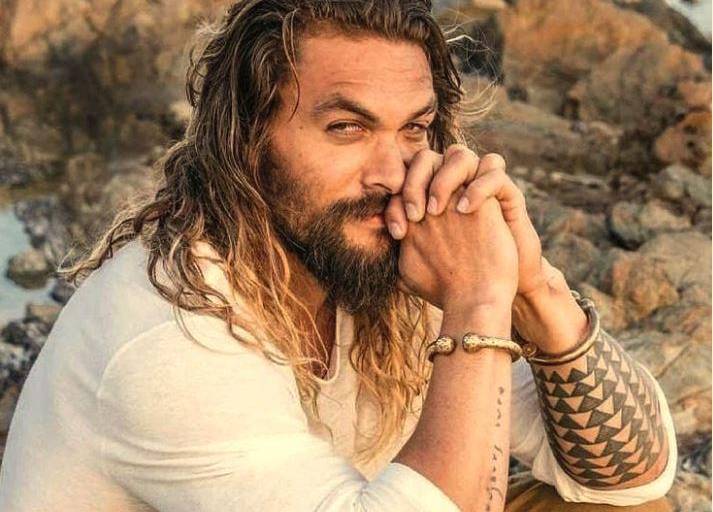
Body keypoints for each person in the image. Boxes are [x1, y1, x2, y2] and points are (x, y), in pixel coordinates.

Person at [0, 1, 677, 510]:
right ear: (246, 142)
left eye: (413, 129)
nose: (391, 172)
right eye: (346, 128)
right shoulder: (169, 334)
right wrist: (476, 301)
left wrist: (530, 287)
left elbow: (634, 478)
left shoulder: (383, 264)